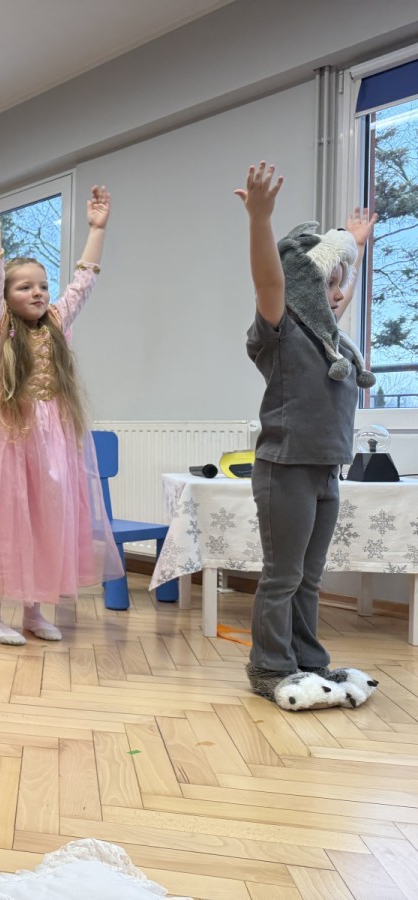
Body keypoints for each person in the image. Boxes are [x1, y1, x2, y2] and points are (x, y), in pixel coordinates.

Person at [0, 169, 123, 645]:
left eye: (42, 285)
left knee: (45, 517)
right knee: (6, 517)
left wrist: (97, 230)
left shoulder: (54, 321)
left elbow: (83, 282)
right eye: (24, 287)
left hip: (50, 437)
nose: (37, 292)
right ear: (5, 298)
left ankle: (35, 610)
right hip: (8, 436)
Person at [236, 161, 379, 705]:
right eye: (326, 283)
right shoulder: (281, 329)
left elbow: (335, 289)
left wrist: (354, 249)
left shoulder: (333, 343)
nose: (336, 294)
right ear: (303, 285)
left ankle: (309, 662)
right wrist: (260, 219)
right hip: (286, 467)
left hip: (325, 470)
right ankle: (270, 668)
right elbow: (270, 279)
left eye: (340, 285)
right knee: (283, 576)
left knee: (309, 578)